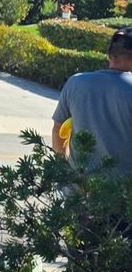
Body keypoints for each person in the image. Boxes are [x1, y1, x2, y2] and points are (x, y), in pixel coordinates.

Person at [52, 30, 132, 179]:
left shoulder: (75, 83)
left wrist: (65, 170)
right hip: (123, 195)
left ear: (109, 55)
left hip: (80, 190)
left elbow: (58, 130)